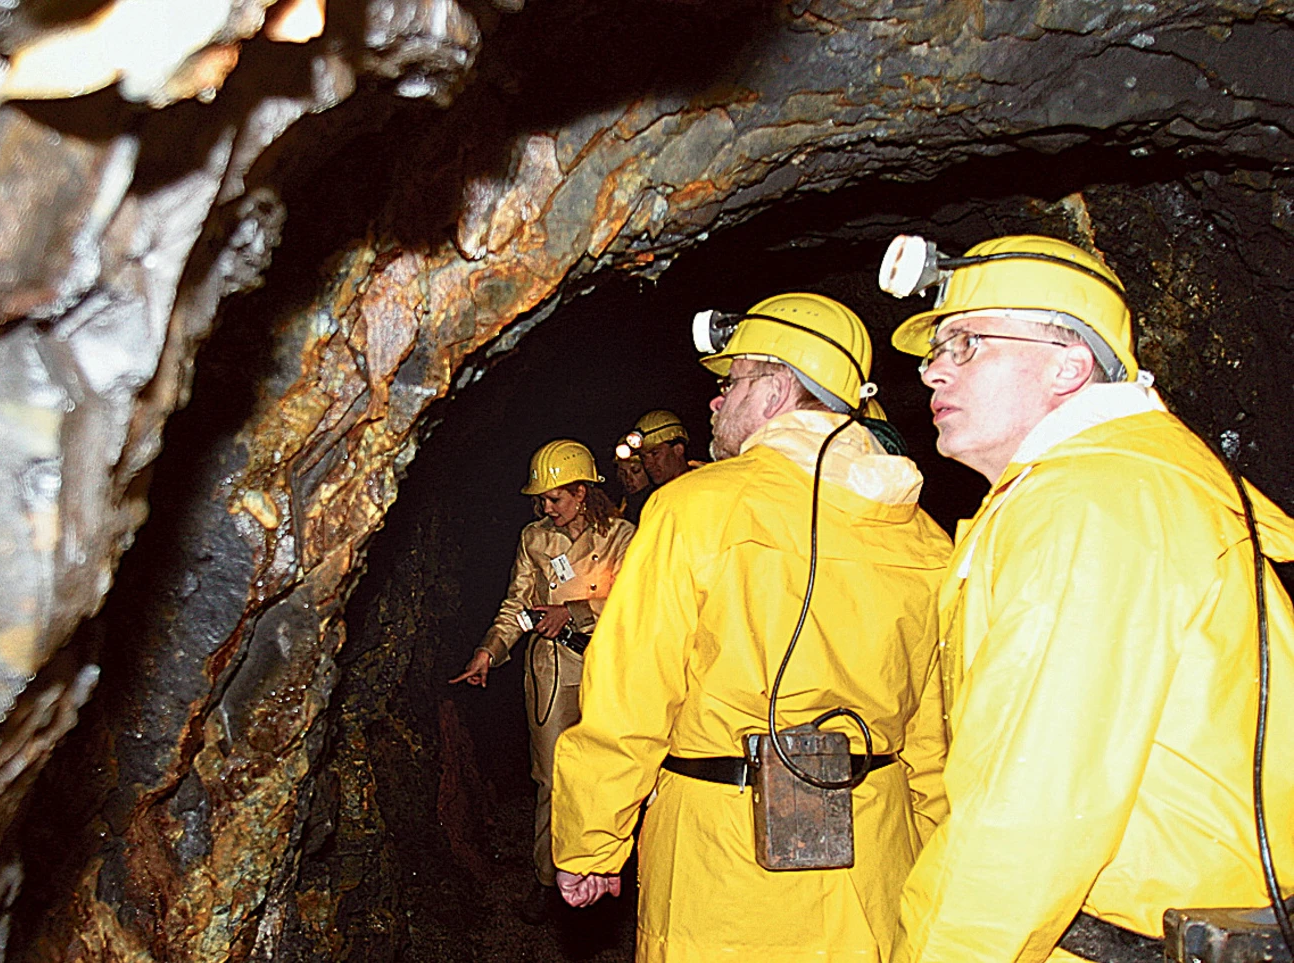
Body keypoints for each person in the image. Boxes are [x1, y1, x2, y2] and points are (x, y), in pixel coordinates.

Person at [877, 234, 1294, 962]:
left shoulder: (1096, 505)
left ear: (1069, 365)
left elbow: (1030, 807)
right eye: (937, 348)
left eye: (968, 343)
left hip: (1121, 938)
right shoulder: (1122, 487)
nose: (934, 370)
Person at [551, 293, 952, 961]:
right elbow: (934, 740)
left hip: (726, 862)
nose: (713, 402)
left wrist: (592, 838)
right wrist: (936, 861)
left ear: (773, 392)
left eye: (728, 383)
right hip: (876, 865)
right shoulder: (925, 539)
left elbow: (632, 692)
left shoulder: (694, 509)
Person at [449, 439, 636, 924]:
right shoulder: (536, 539)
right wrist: (489, 650)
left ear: (580, 490)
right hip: (551, 671)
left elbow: (637, 602)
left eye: (554, 498)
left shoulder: (622, 536)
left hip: (607, 669)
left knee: (611, 773)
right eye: (542, 500)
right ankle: (549, 883)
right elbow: (516, 604)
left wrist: (573, 611)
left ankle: (613, 877)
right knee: (551, 779)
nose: (545, 508)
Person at [623, 410, 698, 486]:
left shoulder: (704, 484)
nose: (647, 465)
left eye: (655, 454)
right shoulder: (658, 496)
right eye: (643, 457)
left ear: (678, 449)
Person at [612, 445, 653, 524]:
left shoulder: (658, 501)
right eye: (622, 473)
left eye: (635, 471)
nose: (628, 479)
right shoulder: (622, 506)